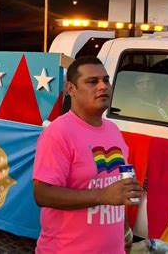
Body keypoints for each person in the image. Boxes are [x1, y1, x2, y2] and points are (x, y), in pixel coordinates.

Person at [33, 56, 142, 253]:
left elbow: (117, 190)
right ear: (71, 89)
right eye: (92, 82)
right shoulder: (59, 132)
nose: (103, 86)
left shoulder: (113, 130)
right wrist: (103, 195)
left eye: (106, 80)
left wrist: (124, 230)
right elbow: (42, 194)